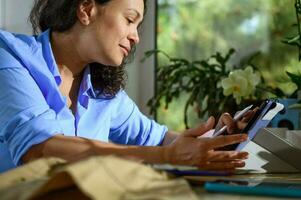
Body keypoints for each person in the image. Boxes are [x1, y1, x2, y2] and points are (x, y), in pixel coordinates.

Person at [0, 0, 249, 173]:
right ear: (86, 9)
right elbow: (39, 149)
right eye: (130, 20)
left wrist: (214, 140)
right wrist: (169, 156)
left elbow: (158, 139)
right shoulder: (9, 56)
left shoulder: (103, 89)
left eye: (138, 26)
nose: (136, 36)